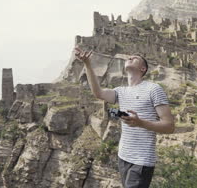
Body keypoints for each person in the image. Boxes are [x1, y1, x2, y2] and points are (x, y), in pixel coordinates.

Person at [74, 47, 175, 188]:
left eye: (135, 58)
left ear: (143, 69)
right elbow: (98, 93)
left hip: (141, 161)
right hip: (123, 157)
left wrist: (140, 123)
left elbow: (169, 126)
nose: (130, 57)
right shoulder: (121, 91)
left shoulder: (153, 89)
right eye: (129, 56)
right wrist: (87, 64)